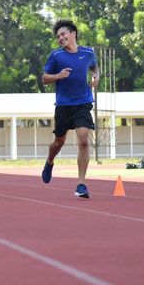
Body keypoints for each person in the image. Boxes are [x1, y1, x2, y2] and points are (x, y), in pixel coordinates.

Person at [41, 20, 99, 198]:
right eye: (58, 36)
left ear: (73, 34)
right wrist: (58, 76)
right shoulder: (56, 56)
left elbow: (94, 68)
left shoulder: (88, 52)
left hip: (83, 103)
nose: (60, 38)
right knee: (59, 142)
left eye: (63, 34)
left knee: (83, 141)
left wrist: (96, 77)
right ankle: (50, 161)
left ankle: (81, 184)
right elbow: (44, 78)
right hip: (64, 105)